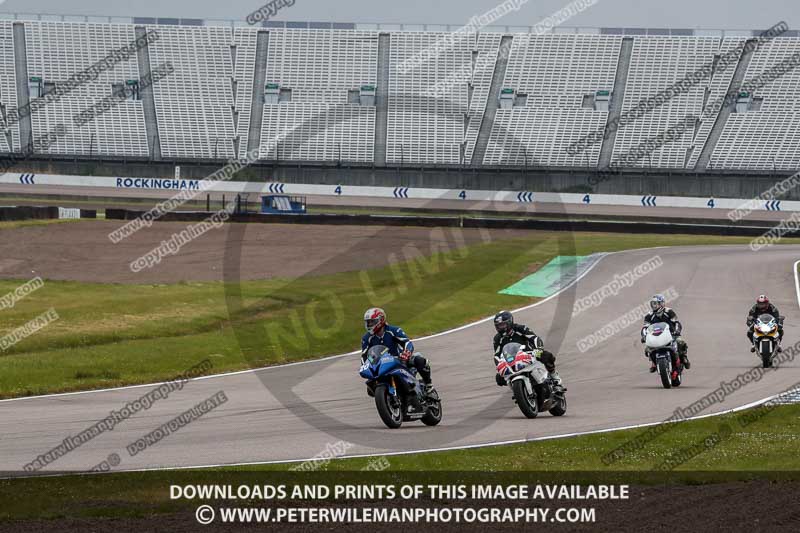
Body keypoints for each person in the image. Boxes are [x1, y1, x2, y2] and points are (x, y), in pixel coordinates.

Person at [361, 307, 433, 393]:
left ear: (381, 320)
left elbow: (407, 342)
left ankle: (429, 386)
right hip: (380, 365)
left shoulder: (393, 330)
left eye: (372, 322)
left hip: (400, 360)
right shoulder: (366, 338)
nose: (369, 325)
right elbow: (364, 355)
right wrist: (365, 365)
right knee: (370, 388)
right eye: (368, 322)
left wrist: (406, 353)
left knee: (419, 360)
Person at [492, 310, 562, 386]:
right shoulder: (497, 338)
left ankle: (554, 375)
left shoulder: (521, 329)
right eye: (498, 326)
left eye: (502, 325)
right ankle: (517, 389)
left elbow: (535, 338)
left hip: (530, 354)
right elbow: (497, 355)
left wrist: (538, 349)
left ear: (509, 322)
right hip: (512, 360)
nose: (500, 328)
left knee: (546, 355)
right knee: (499, 378)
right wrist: (499, 364)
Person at [642, 294, 690, 372]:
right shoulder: (649, 316)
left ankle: (684, 357)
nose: (654, 306)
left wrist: (676, 331)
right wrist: (644, 336)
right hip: (656, 337)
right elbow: (645, 328)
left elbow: (677, 323)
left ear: (662, 303)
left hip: (671, 335)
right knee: (648, 349)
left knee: (681, 342)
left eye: (656, 303)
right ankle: (654, 362)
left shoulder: (669, 311)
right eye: (653, 304)